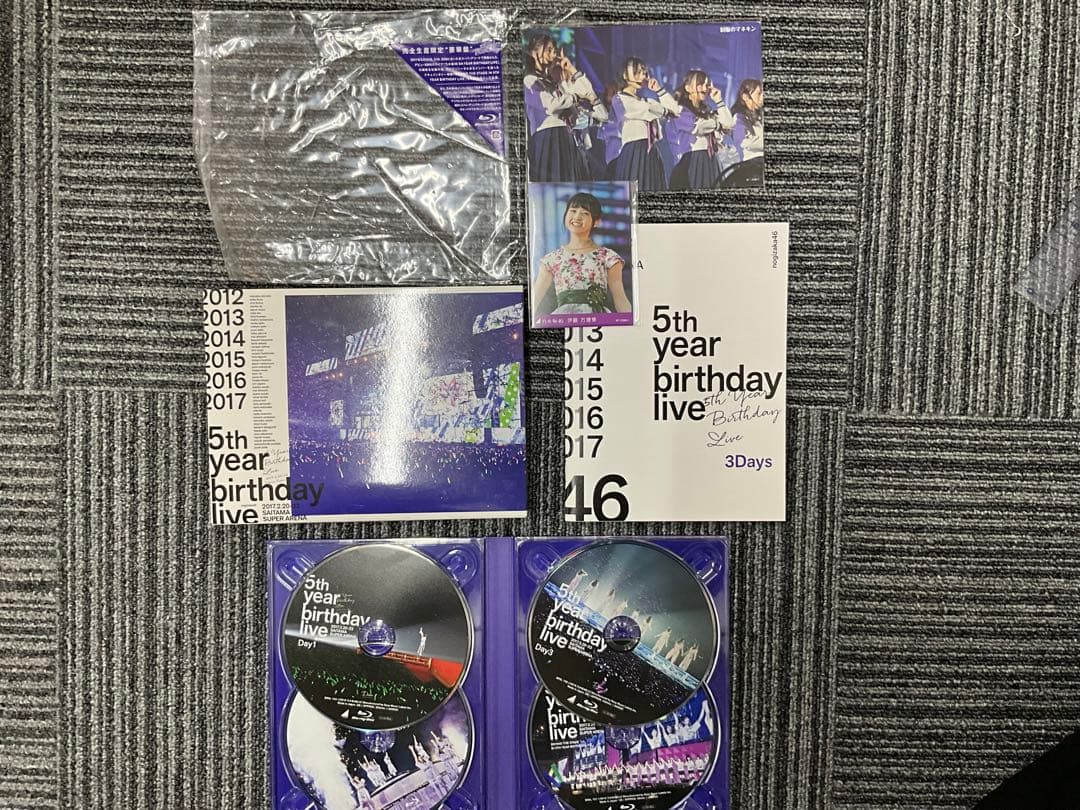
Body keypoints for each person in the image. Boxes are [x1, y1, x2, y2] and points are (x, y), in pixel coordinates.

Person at [531, 193, 631, 319]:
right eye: (573, 211)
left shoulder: (608, 257)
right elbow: (534, 299)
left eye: (585, 213)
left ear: (596, 222)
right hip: (564, 320)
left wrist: (631, 325)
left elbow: (620, 298)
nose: (577, 216)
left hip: (597, 319)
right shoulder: (551, 259)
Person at [524, 33, 600, 181]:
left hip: (565, 135)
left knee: (569, 179)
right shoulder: (530, 80)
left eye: (554, 50)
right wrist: (574, 97)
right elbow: (551, 106)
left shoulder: (554, 82)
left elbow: (588, 93)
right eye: (549, 50)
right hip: (547, 137)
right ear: (534, 52)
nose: (554, 54)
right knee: (553, 181)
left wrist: (570, 68)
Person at [605, 57, 681, 189]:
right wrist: (663, 111)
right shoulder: (619, 99)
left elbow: (675, 110)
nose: (642, 76)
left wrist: (659, 90)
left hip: (652, 151)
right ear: (625, 75)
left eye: (644, 72)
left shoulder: (647, 100)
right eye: (637, 72)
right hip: (634, 151)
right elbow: (642, 110)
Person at [666, 70, 736, 189]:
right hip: (692, 161)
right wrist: (718, 125)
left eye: (707, 84)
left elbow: (728, 124)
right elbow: (698, 127)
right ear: (688, 88)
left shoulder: (707, 112)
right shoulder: (680, 110)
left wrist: (718, 100)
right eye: (700, 84)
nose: (705, 87)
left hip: (711, 160)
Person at [729, 78, 764, 163]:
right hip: (750, 164)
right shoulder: (739, 118)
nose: (762, 97)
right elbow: (744, 142)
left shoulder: (759, 117)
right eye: (759, 93)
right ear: (745, 97)